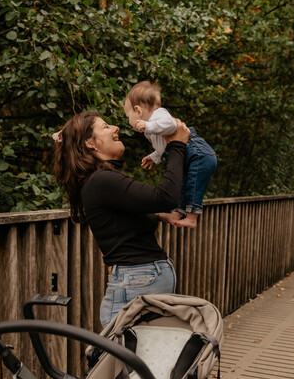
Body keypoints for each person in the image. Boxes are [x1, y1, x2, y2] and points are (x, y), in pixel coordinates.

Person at [52, 110, 191, 328]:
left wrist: (157, 215)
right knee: (129, 352)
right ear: (90, 142)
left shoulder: (102, 180)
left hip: (139, 282)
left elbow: (123, 224)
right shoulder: (101, 180)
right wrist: (176, 146)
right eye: (106, 126)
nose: (116, 128)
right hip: (136, 282)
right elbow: (165, 197)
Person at [123, 80, 217, 229]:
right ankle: (176, 213)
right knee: (182, 185)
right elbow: (164, 147)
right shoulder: (153, 126)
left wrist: (148, 125)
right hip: (189, 154)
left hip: (198, 154)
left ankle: (192, 218)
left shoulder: (158, 115)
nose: (129, 121)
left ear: (138, 110)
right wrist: (154, 157)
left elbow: (171, 125)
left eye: (128, 116)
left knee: (193, 185)